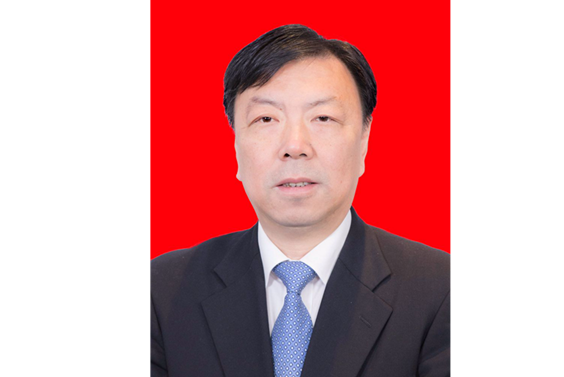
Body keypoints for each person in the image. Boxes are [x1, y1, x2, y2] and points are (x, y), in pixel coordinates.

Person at [150, 25, 451, 377]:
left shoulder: (438, 289)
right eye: (266, 119)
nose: (295, 146)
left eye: (323, 118)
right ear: (235, 145)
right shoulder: (164, 288)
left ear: (364, 141)